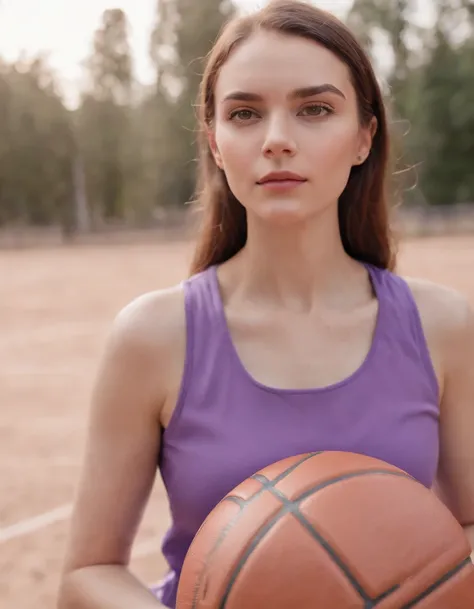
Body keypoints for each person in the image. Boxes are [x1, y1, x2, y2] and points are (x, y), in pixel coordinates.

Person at [57, 1, 474, 608]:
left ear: (364, 136)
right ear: (216, 143)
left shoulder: (444, 327)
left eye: (315, 110)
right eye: (246, 113)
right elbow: (87, 572)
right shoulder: (153, 337)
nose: (278, 140)